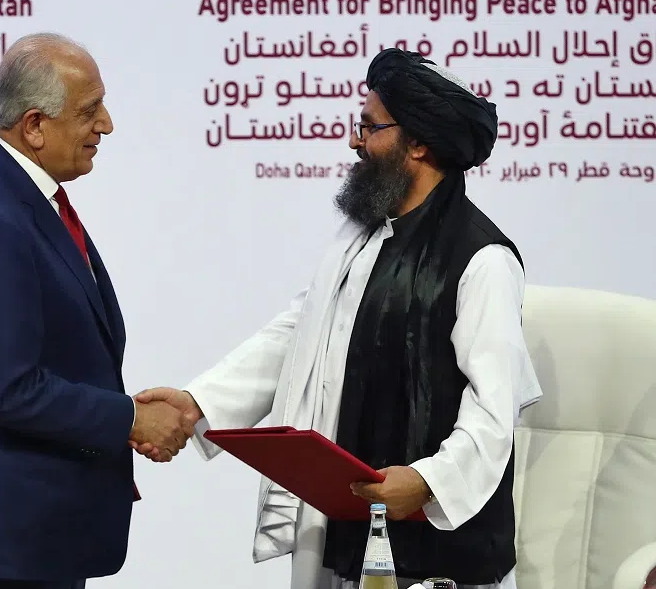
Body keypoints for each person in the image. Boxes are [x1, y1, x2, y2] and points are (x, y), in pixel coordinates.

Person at [133, 48, 542, 588]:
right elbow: (300, 335)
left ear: (417, 143)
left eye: (370, 128)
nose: (355, 141)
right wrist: (199, 402)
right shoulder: (363, 237)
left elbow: (493, 416)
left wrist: (425, 481)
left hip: (439, 553)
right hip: (351, 525)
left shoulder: (483, 260)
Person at [0, 32, 194, 589]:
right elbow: (8, 389)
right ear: (35, 125)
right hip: (1, 548)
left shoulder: (19, 195)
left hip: (32, 534)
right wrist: (130, 418)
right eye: (89, 111)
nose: (108, 125)